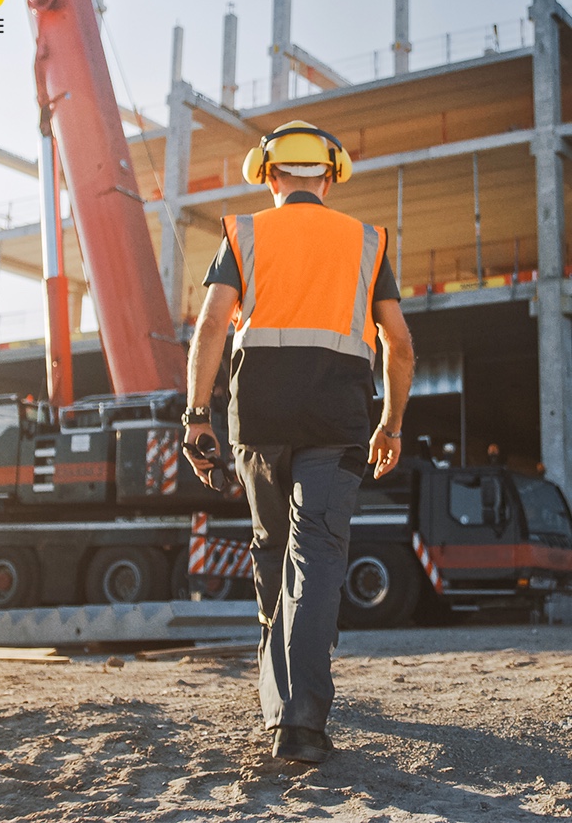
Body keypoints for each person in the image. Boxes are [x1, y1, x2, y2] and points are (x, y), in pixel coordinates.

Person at [182, 120, 414, 765]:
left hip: (259, 417)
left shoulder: (244, 232)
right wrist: (390, 424)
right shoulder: (366, 240)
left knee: (271, 549)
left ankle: (279, 699)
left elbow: (209, 328)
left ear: (270, 173)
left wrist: (196, 417)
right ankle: (301, 722)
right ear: (331, 176)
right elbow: (399, 343)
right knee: (316, 558)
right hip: (339, 421)